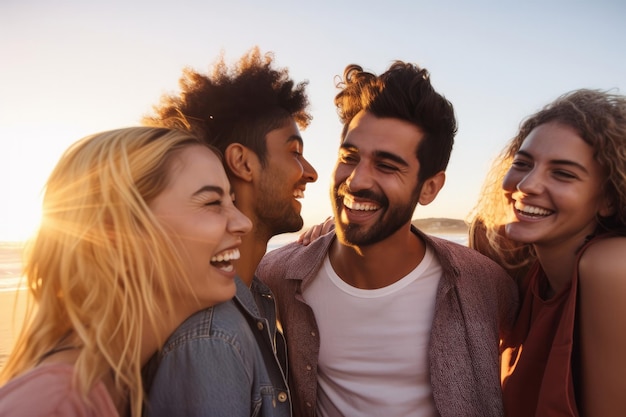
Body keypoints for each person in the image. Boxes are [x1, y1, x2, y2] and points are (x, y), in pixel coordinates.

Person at [256, 62, 518, 417]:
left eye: (387, 166)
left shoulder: (483, 283)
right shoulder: (278, 277)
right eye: (350, 157)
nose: (358, 180)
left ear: (430, 188)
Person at [0, 126, 252, 417]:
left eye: (232, 201)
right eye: (212, 202)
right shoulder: (53, 404)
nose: (244, 222)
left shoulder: (127, 385)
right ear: (117, 234)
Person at [141, 47, 318, 416]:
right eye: (295, 152)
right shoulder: (213, 337)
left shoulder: (261, 299)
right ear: (242, 162)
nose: (310, 172)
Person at [468, 89, 626, 417]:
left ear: (608, 199)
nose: (527, 184)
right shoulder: (519, 263)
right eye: (523, 163)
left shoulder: (610, 265)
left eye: (563, 173)